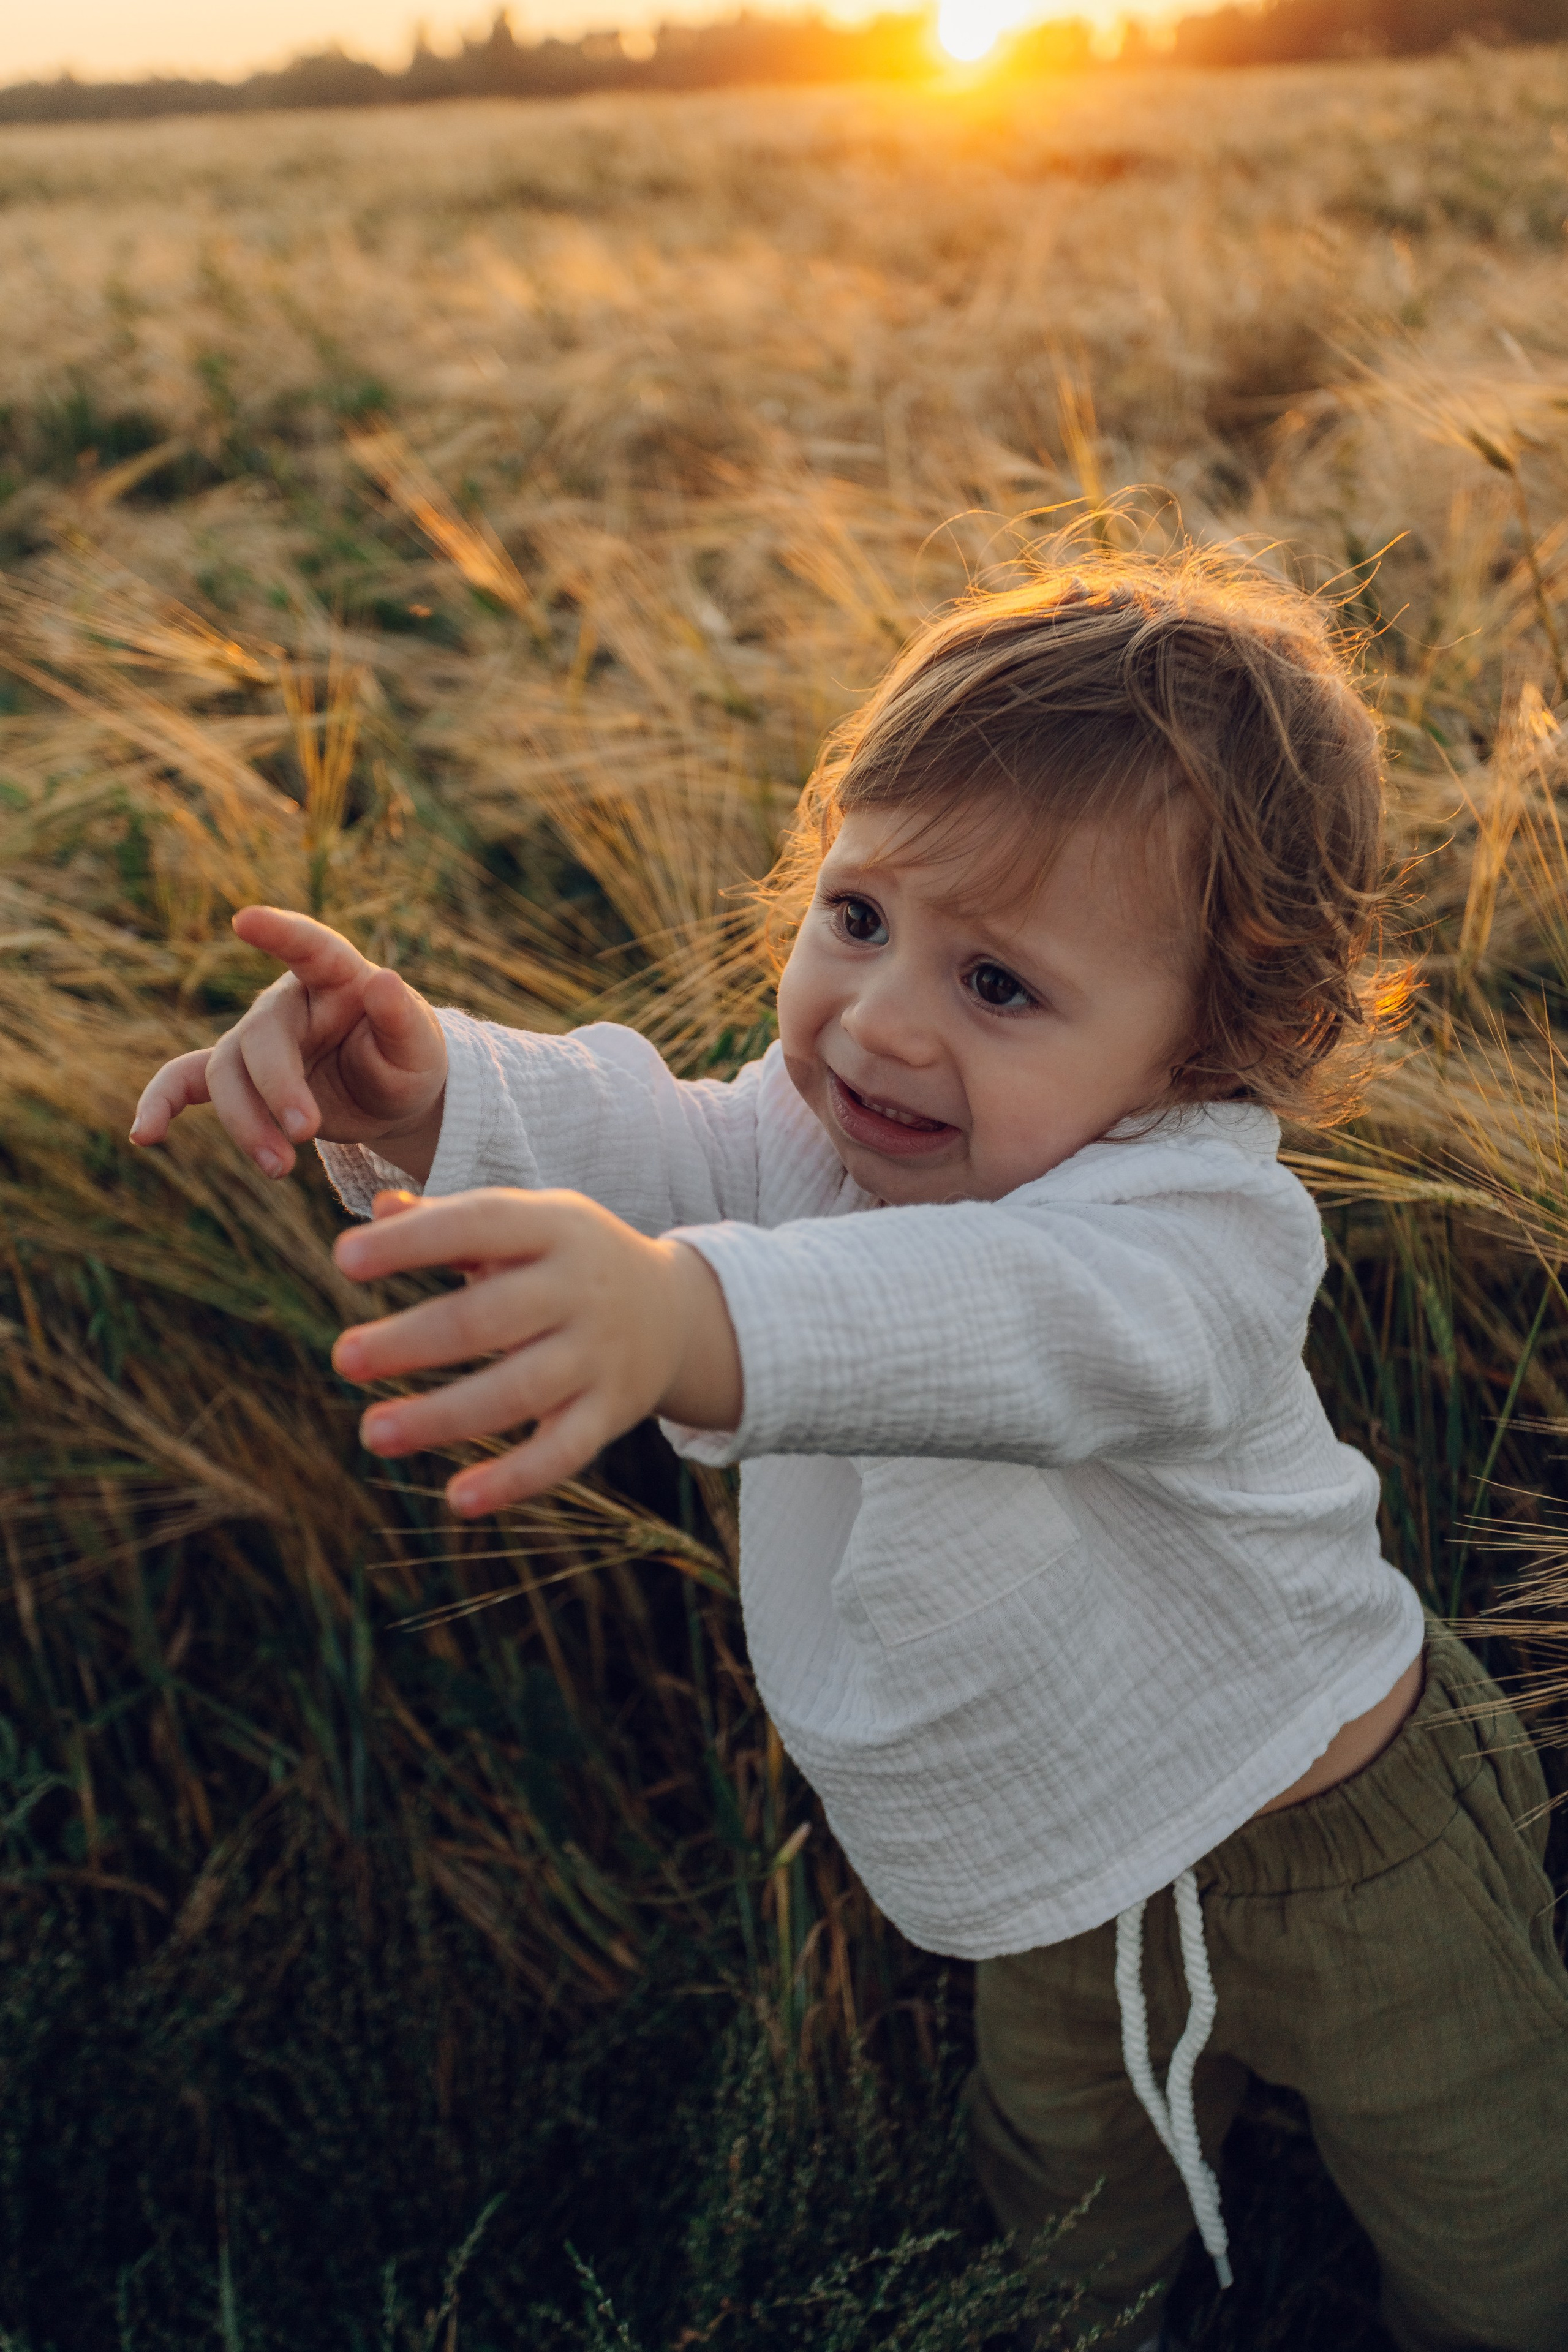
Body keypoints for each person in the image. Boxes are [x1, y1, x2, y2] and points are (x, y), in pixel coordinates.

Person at [132, 556, 1568, 2352]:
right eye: (862, 916)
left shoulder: (1199, 1234)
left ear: (1208, 1048)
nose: (882, 1020)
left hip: (1351, 1839)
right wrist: (429, 1093)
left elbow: (992, 1317)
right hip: (1062, 1851)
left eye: (999, 984)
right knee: (1059, 2207)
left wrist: (687, 1321)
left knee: (1496, 2219)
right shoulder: (844, 1129)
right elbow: (671, 1143)